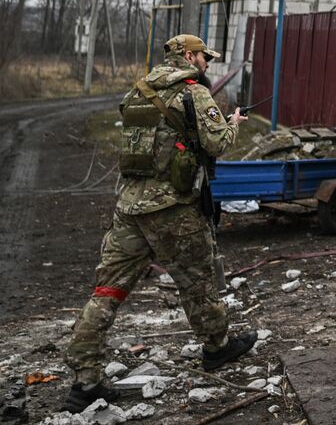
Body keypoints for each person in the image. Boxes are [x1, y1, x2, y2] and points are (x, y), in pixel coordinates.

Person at [63, 34, 254, 413]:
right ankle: (217, 347)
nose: (206, 64)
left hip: (130, 207)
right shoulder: (193, 93)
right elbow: (216, 144)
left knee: (107, 291)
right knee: (197, 282)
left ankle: (85, 380)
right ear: (188, 56)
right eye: (203, 57)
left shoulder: (139, 91)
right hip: (174, 209)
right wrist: (233, 123)